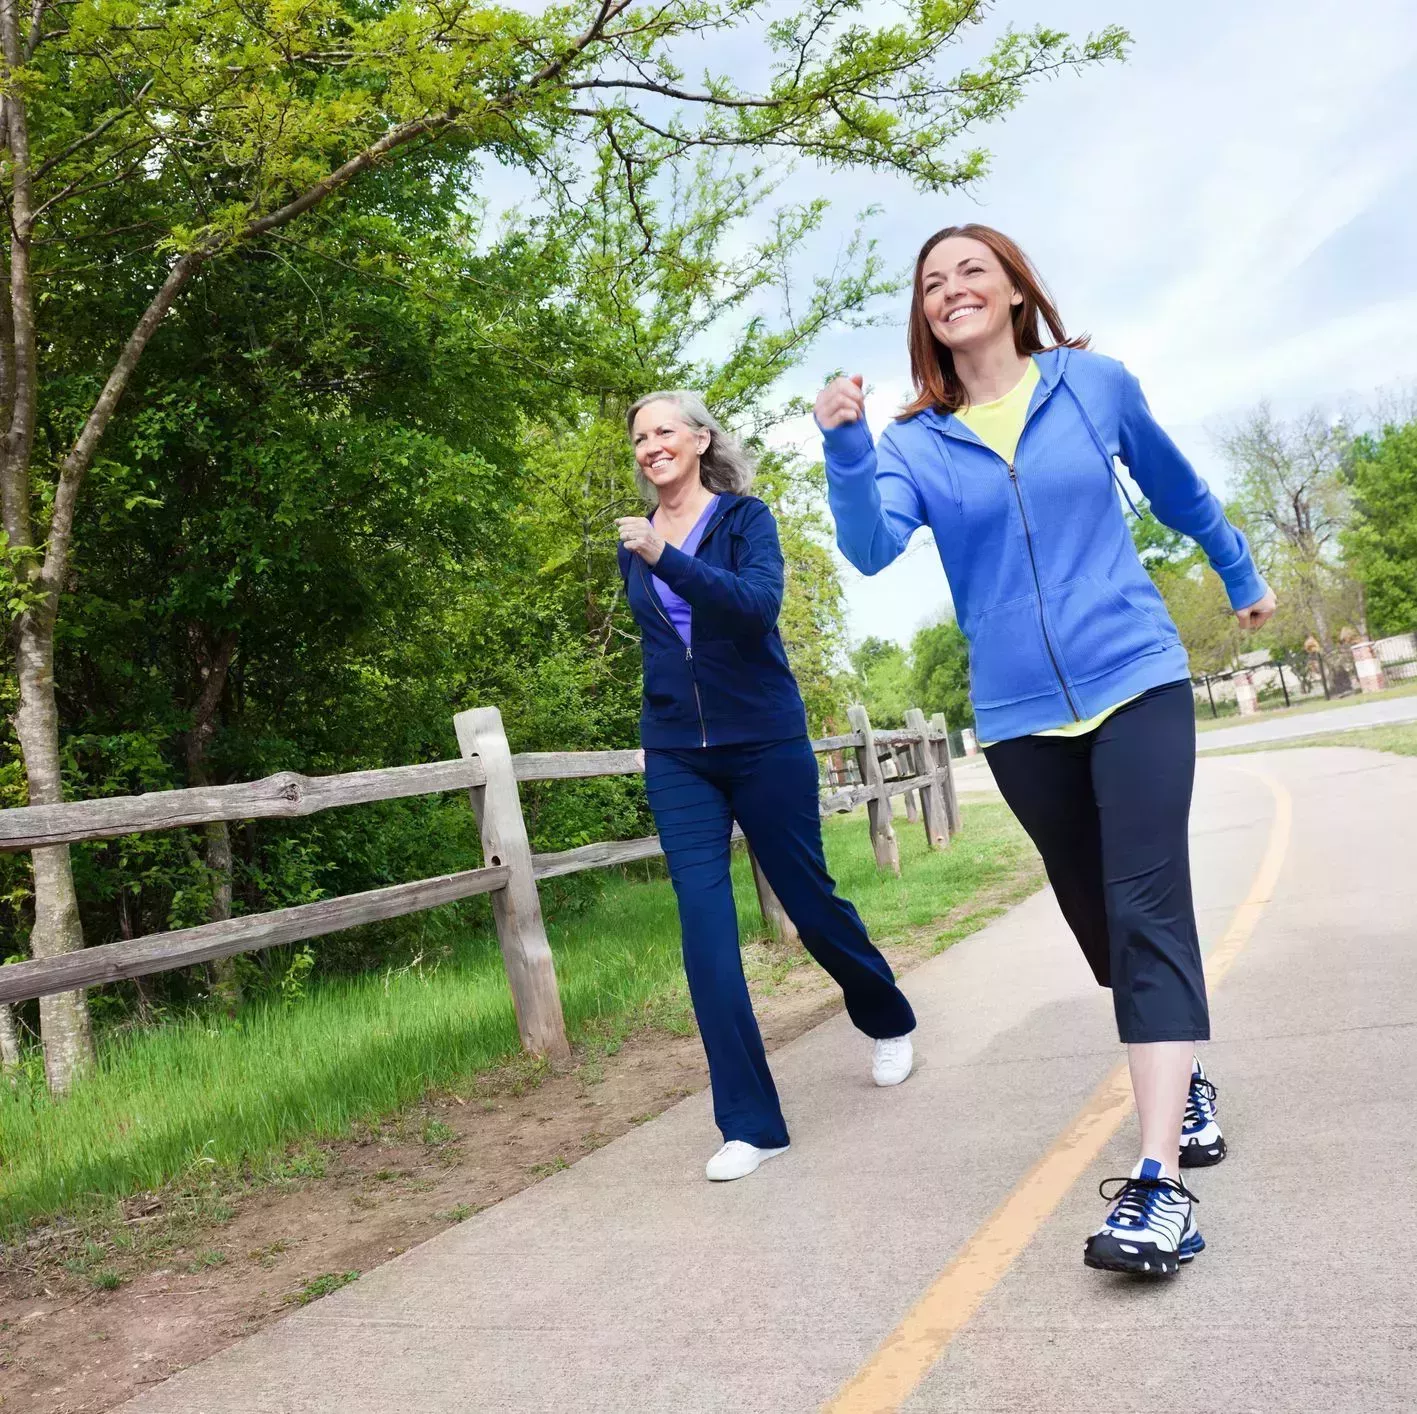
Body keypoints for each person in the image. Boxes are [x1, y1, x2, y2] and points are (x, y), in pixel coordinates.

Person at [814, 224, 1276, 1275]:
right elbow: (871, 548)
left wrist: (1238, 570)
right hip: (1020, 715)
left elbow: (1176, 486)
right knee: (1096, 915)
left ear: (1018, 289)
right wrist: (845, 446)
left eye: (971, 269)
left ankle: (1159, 1183)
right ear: (922, 318)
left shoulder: (1092, 384)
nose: (951, 289)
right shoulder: (914, 445)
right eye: (932, 283)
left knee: (1148, 903)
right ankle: (1183, 1067)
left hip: (1135, 676)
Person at [616, 390, 917, 1183]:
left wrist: (662, 556)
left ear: (699, 438)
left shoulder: (746, 520)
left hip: (764, 743)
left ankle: (885, 1016)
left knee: (808, 903)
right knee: (705, 932)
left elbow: (754, 610)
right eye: (639, 437)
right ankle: (750, 1123)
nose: (650, 446)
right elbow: (660, 649)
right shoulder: (635, 540)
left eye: (663, 431)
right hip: (680, 755)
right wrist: (655, 732)